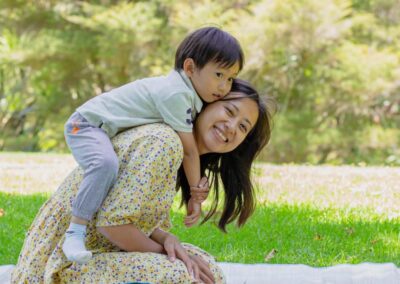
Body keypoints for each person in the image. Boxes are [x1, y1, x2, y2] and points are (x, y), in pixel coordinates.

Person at [12, 79, 274, 283]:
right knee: (179, 273)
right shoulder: (163, 143)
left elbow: (128, 214)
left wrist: (167, 238)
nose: (231, 126)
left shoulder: (180, 155)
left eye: (243, 126)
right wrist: (165, 254)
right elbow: (112, 226)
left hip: (100, 251)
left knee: (208, 271)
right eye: (229, 111)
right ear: (205, 104)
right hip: (58, 265)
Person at [62, 26, 244, 264]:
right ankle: (75, 232)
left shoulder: (189, 96)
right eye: (218, 75)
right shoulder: (176, 94)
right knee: (105, 164)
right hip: (85, 125)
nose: (224, 86)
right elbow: (189, 151)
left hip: (101, 130)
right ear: (189, 68)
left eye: (230, 78)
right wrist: (196, 197)